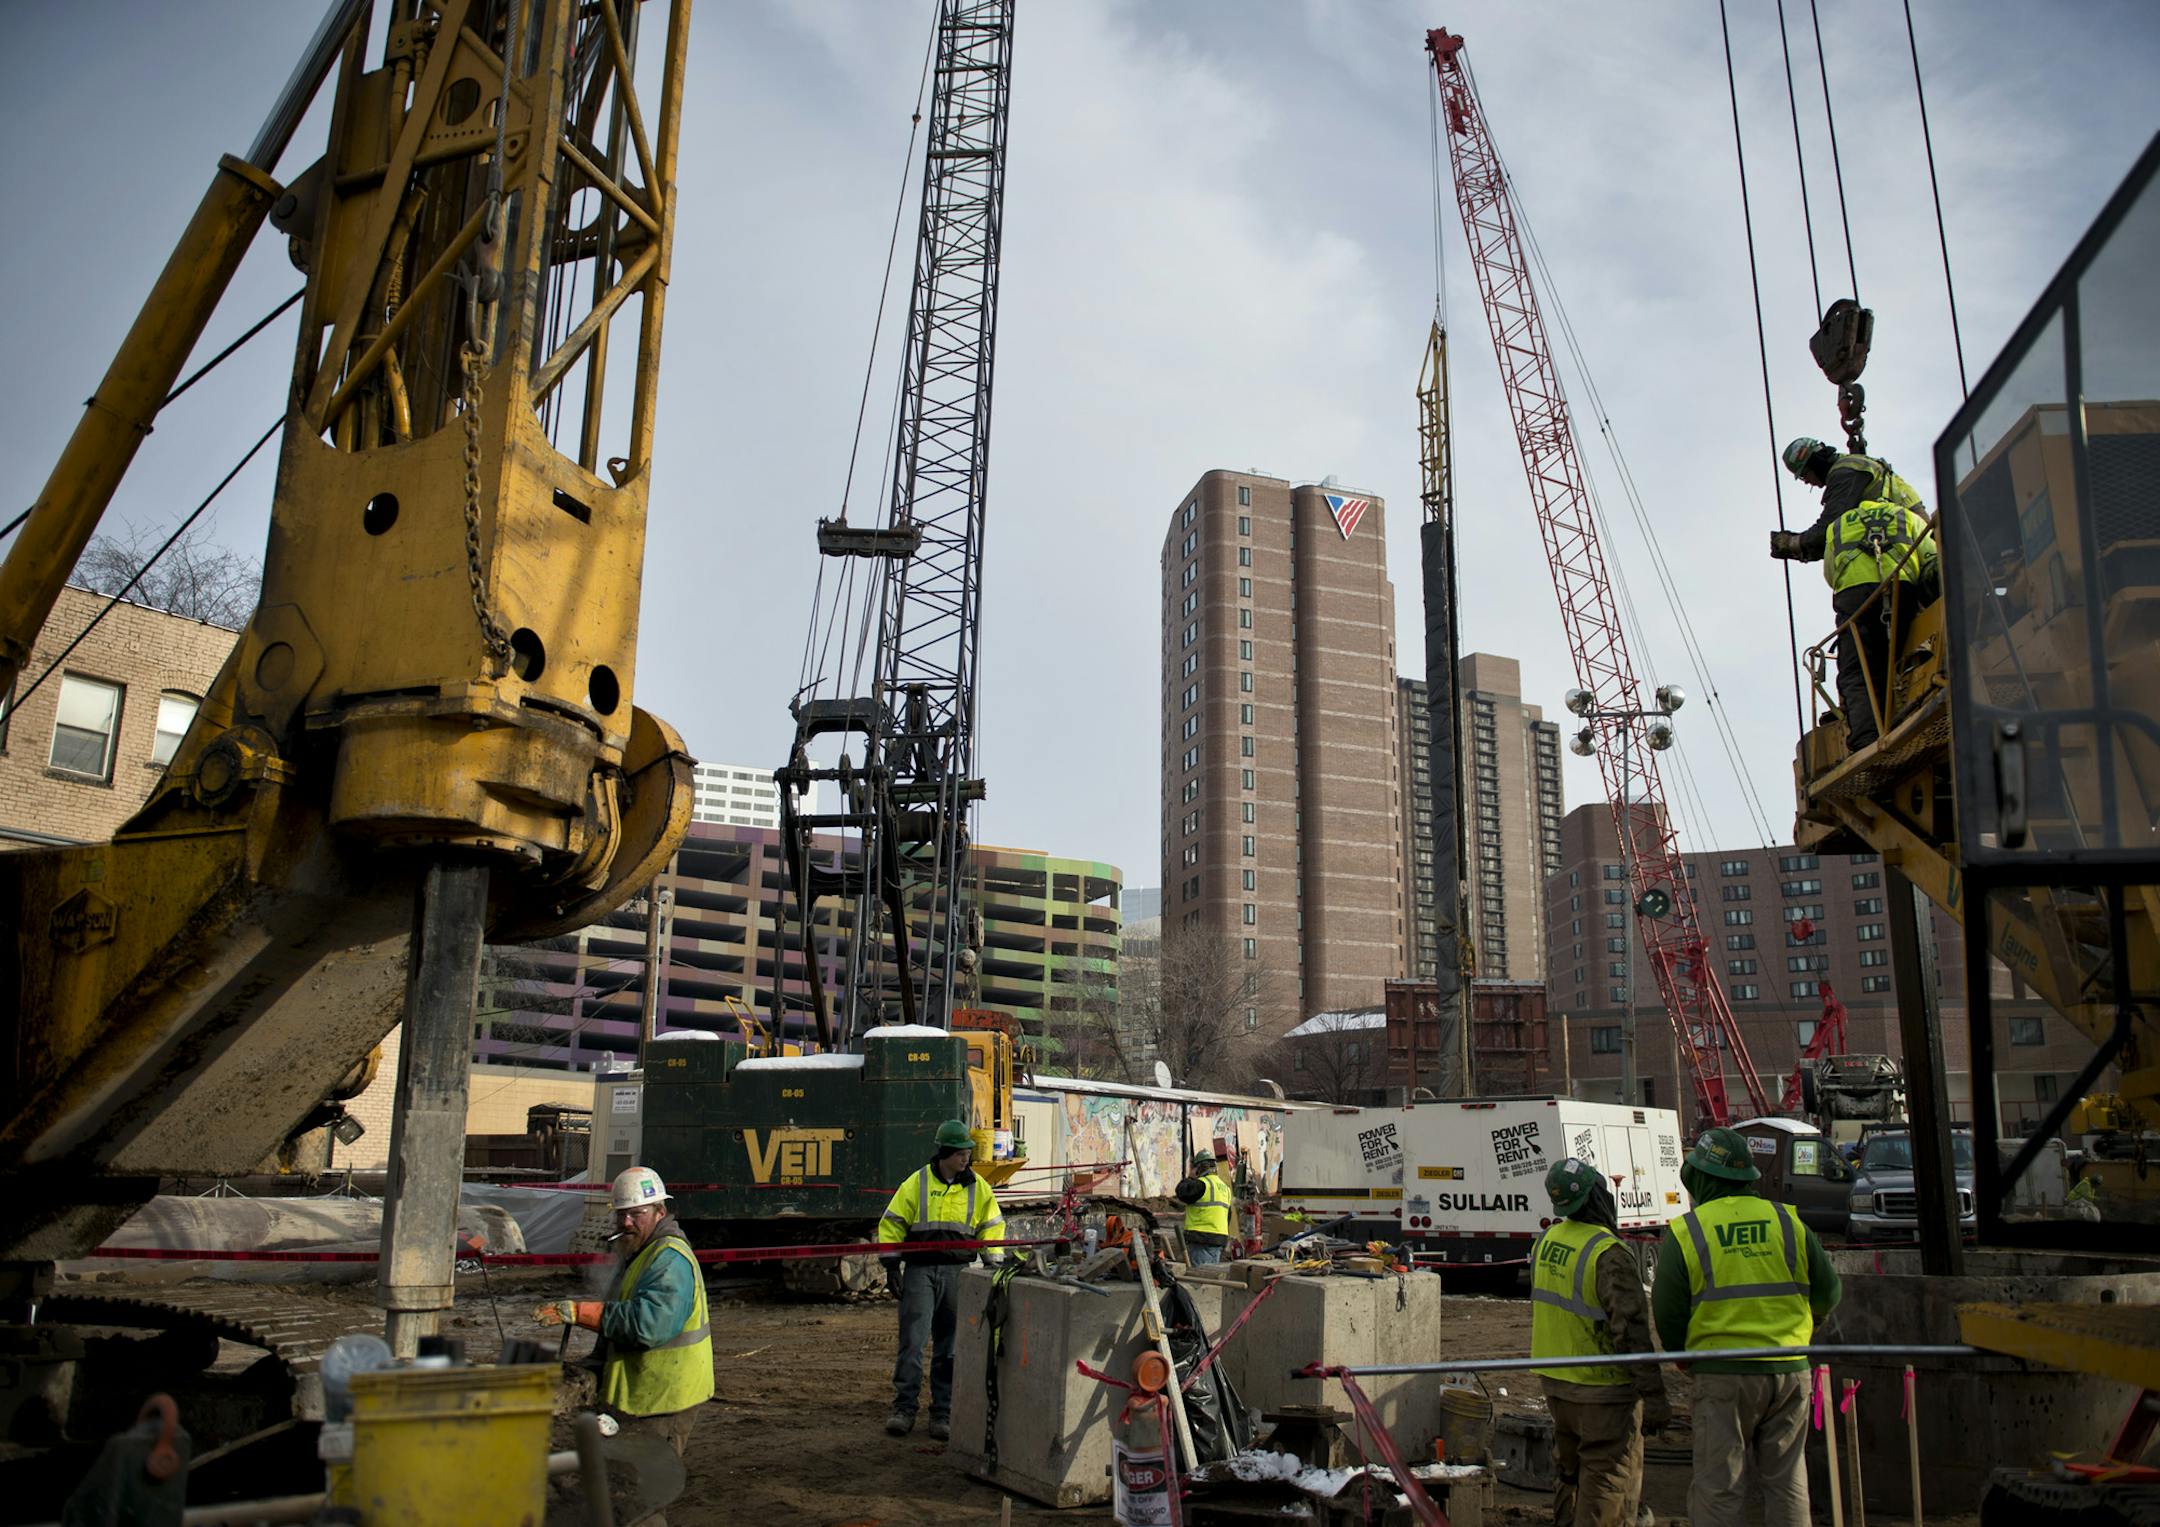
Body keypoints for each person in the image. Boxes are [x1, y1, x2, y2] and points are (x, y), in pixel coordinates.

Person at [1652, 1128, 1842, 1527]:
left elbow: (1668, 1312)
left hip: (1723, 1375)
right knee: (1788, 1481)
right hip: (1789, 1369)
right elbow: (1828, 1291)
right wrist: (1803, 1331)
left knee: (1719, 1484)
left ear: (1702, 1178)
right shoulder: (1786, 1221)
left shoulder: (1689, 1230)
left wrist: (1683, 1357)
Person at [536, 1166, 712, 1498]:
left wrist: (579, 1312)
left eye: (636, 1213)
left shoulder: (668, 1259)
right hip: (646, 1393)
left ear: (659, 1211)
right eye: (621, 1215)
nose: (626, 1222)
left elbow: (648, 1325)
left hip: (664, 1399)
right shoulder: (640, 1254)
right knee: (625, 1490)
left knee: (640, 1498)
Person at [1530, 1158, 1670, 1527]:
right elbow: (1632, 1329)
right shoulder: (1607, 1252)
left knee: (1569, 1469)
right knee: (1605, 1474)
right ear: (1597, 1197)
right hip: (1601, 1388)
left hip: (1557, 1380)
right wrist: (1654, 1396)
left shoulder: (1548, 1241)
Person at [876, 1119, 1005, 1440]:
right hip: (920, 1272)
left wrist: (995, 1266)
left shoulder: (979, 1188)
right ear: (946, 1153)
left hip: (957, 1274)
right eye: (961, 1153)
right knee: (912, 1343)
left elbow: (992, 1227)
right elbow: (892, 1223)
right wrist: (891, 1265)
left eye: (968, 1153)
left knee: (950, 1347)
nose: (967, 1159)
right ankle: (904, 1408)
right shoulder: (916, 1184)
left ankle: (942, 1412)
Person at [1175, 1149, 1236, 1265]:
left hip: (1201, 1237)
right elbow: (1228, 1215)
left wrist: (1190, 1177)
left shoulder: (1201, 1184)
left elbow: (1181, 1192)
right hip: (1219, 1238)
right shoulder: (1225, 1188)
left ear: (1198, 1168)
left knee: (1200, 1276)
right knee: (1210, 1275)